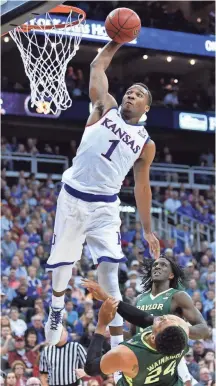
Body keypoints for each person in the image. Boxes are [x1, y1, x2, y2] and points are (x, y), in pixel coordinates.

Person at [45, 37, 160, 347]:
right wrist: (116, 41)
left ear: (145, 108)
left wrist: (148, 230)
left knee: (110, 272)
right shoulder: (104, 107)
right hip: (74, 197)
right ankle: (56, 308)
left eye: (138, 95)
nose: (131, 95)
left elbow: (142, 186)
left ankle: (118, 344)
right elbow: (97, 65)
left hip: (106, 207)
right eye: (129, 92)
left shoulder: (146, 144)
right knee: (64, 265)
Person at [83, 298, 189, 386]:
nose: (164, 317)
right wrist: (112, 300)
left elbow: (91, 368)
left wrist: (101, 324)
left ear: (153, 338)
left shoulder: (127, 354)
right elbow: (146, 319)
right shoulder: (180, 337)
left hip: (132, 375)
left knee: (116, 347)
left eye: (161, 322)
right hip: (170, 382)